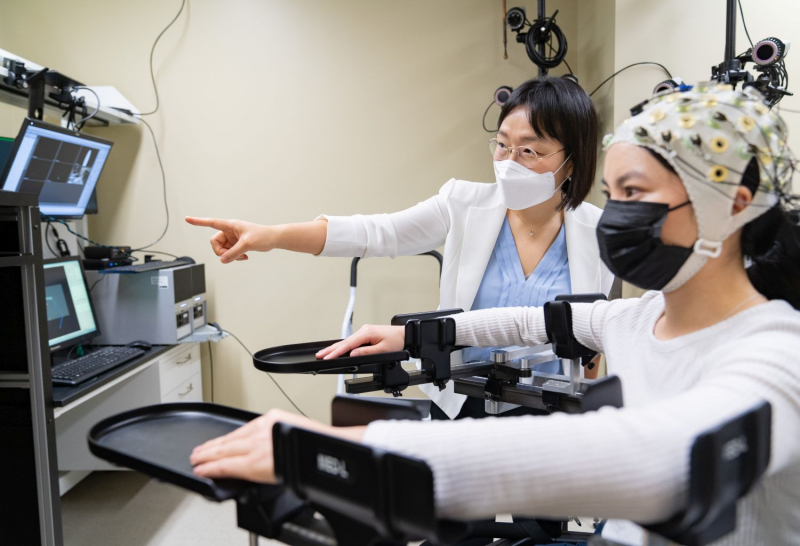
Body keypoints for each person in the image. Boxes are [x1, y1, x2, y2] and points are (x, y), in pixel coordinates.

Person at [191, 83, 800, 545]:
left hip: (559, 425)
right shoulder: (635, 320)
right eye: (614, 196)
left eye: (634, 194)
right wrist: (416, 332)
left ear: (732, 206)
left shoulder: (776, 352)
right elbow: (533, 321)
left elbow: (661, 458)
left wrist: (351, 449)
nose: (618, 216)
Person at [186, 76, 615, 421]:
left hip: (552, 409)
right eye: (502, 144)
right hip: (464, 399)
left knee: (541, 527)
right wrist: (272, 236)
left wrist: (596, 411)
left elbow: (591, 343)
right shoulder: (463, 204)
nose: (508, 162)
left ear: (570, 162)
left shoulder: (598, 233)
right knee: (458, 526)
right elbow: (377, 233)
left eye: (529, 151)